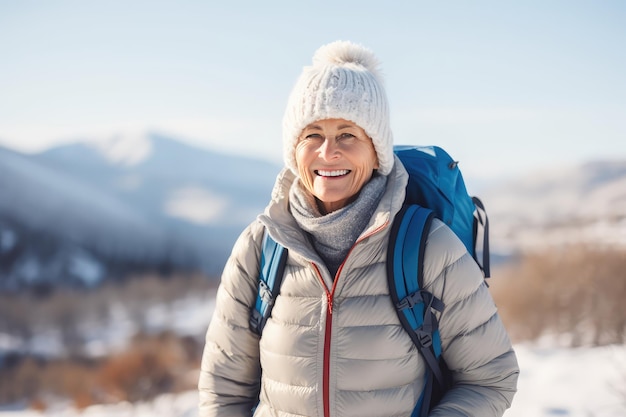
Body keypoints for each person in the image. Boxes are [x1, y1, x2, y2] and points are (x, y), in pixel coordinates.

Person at [198, 40, 519, 417]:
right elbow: (225, 391)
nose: (328, 151)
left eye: (348, 134)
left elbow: (490, 378)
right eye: (312, 134)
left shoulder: (429, 247)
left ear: (377, 150)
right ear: (294, 148)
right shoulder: (261, 246)